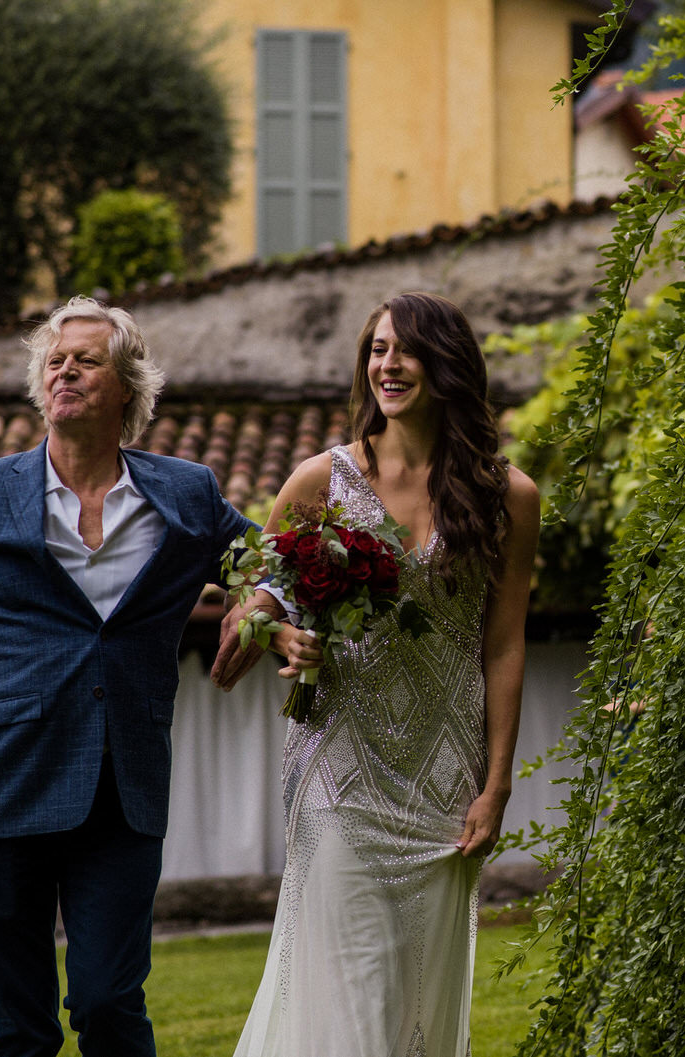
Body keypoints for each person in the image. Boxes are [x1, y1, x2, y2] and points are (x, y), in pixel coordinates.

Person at [0, 297, 255, 1057]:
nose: (64, 370)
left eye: (85, 359)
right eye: (54, 360)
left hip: (121, 791)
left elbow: (270, 560)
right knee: (20, 1030)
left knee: (108, 1000)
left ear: (128, 386)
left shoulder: (186, 493)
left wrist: (257, 606)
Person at [210, 291, 539, 1057]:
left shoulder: (507, 497)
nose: (387, 364)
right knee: (346, 985)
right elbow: (256, 602)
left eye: (406, 348)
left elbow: (504, 645)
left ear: (448, 364)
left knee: (412, 990)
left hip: (443, 773)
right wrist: (284, 634)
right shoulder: (319, 481)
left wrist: (496, 785)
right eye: (377, 349)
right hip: (340, 763)